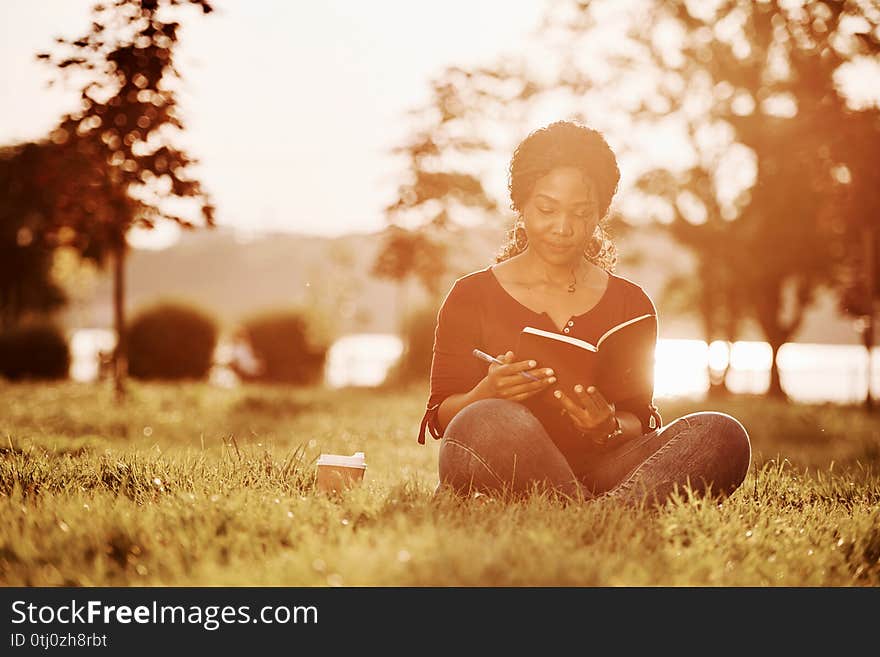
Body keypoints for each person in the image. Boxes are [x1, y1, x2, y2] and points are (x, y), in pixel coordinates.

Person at [417, 120, 751, 505]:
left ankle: (588, 510)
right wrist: (487, 391)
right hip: (502, 457)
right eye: (547, 209)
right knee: (484, 420)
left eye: (580, 213)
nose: (563, 227)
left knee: (721, 434)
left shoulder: (632, 305)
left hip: (607, 469)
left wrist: (607, 427)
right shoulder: (471, 295)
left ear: (599, 215)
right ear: (521, 205)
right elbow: (442, 417)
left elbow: (638, 418)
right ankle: (604, 512)